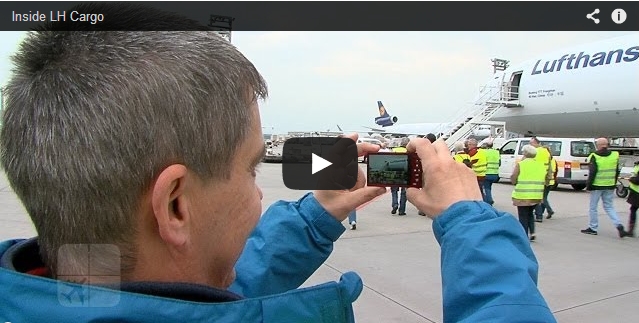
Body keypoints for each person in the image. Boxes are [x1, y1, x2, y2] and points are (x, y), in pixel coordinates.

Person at [0, 4, 557, 322]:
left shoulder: (71, 287)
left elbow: (185, 296)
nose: (260, 190)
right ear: (175, 205)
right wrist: (469, 220)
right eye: (248, 170)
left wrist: (318, 213)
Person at [581, 138, 630, 238]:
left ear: (598, 145)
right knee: (609, 207)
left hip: (597, 186)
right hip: (610, 185)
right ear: (607, 145)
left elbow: (592, 173)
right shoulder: (614, 155)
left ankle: (593, 228)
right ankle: (619, 225)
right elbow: (616, 171)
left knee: (593, 207)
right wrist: (614, 182)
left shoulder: (594, 156)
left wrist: (588, 185)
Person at [510, 145, 546, 241]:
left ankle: (523, 235)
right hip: (536, 194)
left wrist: (515, 182)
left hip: (523, 194)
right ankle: (532, 232)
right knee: (530, 213)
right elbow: (545, 178)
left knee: (523, 216)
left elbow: (513, 177)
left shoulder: (521, 164)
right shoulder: (540, 164)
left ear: (525, 153)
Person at [529, 137, 552, 222]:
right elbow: (549, 166)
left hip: (535, 178)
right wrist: (549, 178)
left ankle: (538, 215)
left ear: (536, 143)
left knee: (536, 198)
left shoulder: (535, 152)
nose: (530, 145)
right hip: (543, 177)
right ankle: (540, 215)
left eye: (531, 143)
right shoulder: (546, 152)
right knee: (540, 198)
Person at [535, 146, 557, 220]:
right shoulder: (553, 159)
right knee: (545, 197)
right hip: (551, 181)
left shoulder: (547, 160)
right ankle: (542, 211)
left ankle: (549, 210)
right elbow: (555, 170)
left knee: (542, 198)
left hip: (546, 181)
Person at [390, 137, 410, 216]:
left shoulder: (394, 150)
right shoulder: (409, 151)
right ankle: (402, 210)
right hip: (405, 173)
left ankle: (395, 204)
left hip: (395, 172)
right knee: (403, 192)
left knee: (394, 191)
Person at [481, 140, 501, 206]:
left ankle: (489, 200)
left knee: (486, 188)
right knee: (489, 187)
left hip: (486, 173)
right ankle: (488, 198)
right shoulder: (497, 152)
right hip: (495, 173)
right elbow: (499, 163)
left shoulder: (484, 152)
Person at [625, 161, 639, 237]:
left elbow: (637, 181)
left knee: (633, 209)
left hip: (637, 192)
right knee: (633, 209)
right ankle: (631, 230)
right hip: (636, 192)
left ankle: (631, 230)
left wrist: (631, 179)